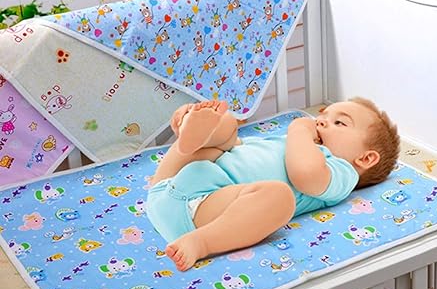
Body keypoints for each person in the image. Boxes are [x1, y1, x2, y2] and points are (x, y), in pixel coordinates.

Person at [146, 98, 399, 271]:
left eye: (339, 123)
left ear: (365, 158)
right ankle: (193, 129)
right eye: (323, 116)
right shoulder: (292, 143)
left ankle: (202, 243)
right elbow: (240, 152)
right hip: (170, 185)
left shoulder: (342, 171)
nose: (320, 122)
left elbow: (305, 174)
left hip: (201, 210)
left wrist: (299, 131)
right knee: (228, 129)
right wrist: (221, 135)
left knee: (280, 196)